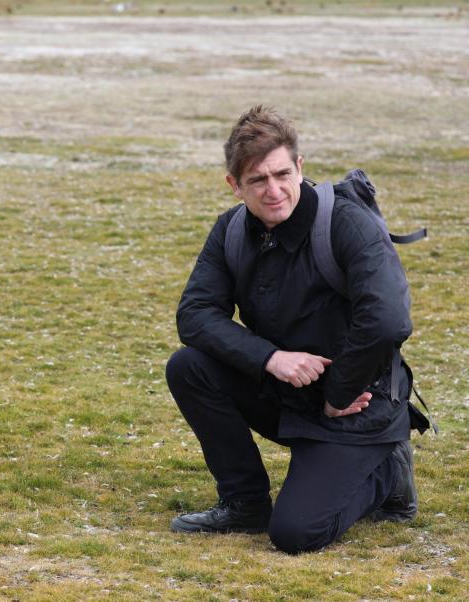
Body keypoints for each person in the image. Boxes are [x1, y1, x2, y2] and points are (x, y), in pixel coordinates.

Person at [166, 105, 422, 554]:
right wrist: (270, 358)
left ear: (300, 167)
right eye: (257, 180)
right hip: (288, 389)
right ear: (234, 185)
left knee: (296, 534)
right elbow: (195, 314)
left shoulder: (346, 223)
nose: (274, 190)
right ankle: (244, 503)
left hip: (359, 405)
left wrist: (339, 393)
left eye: (283, 174)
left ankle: (387, 475)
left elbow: (388, 321)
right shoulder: (230, 231)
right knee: (190, 366)